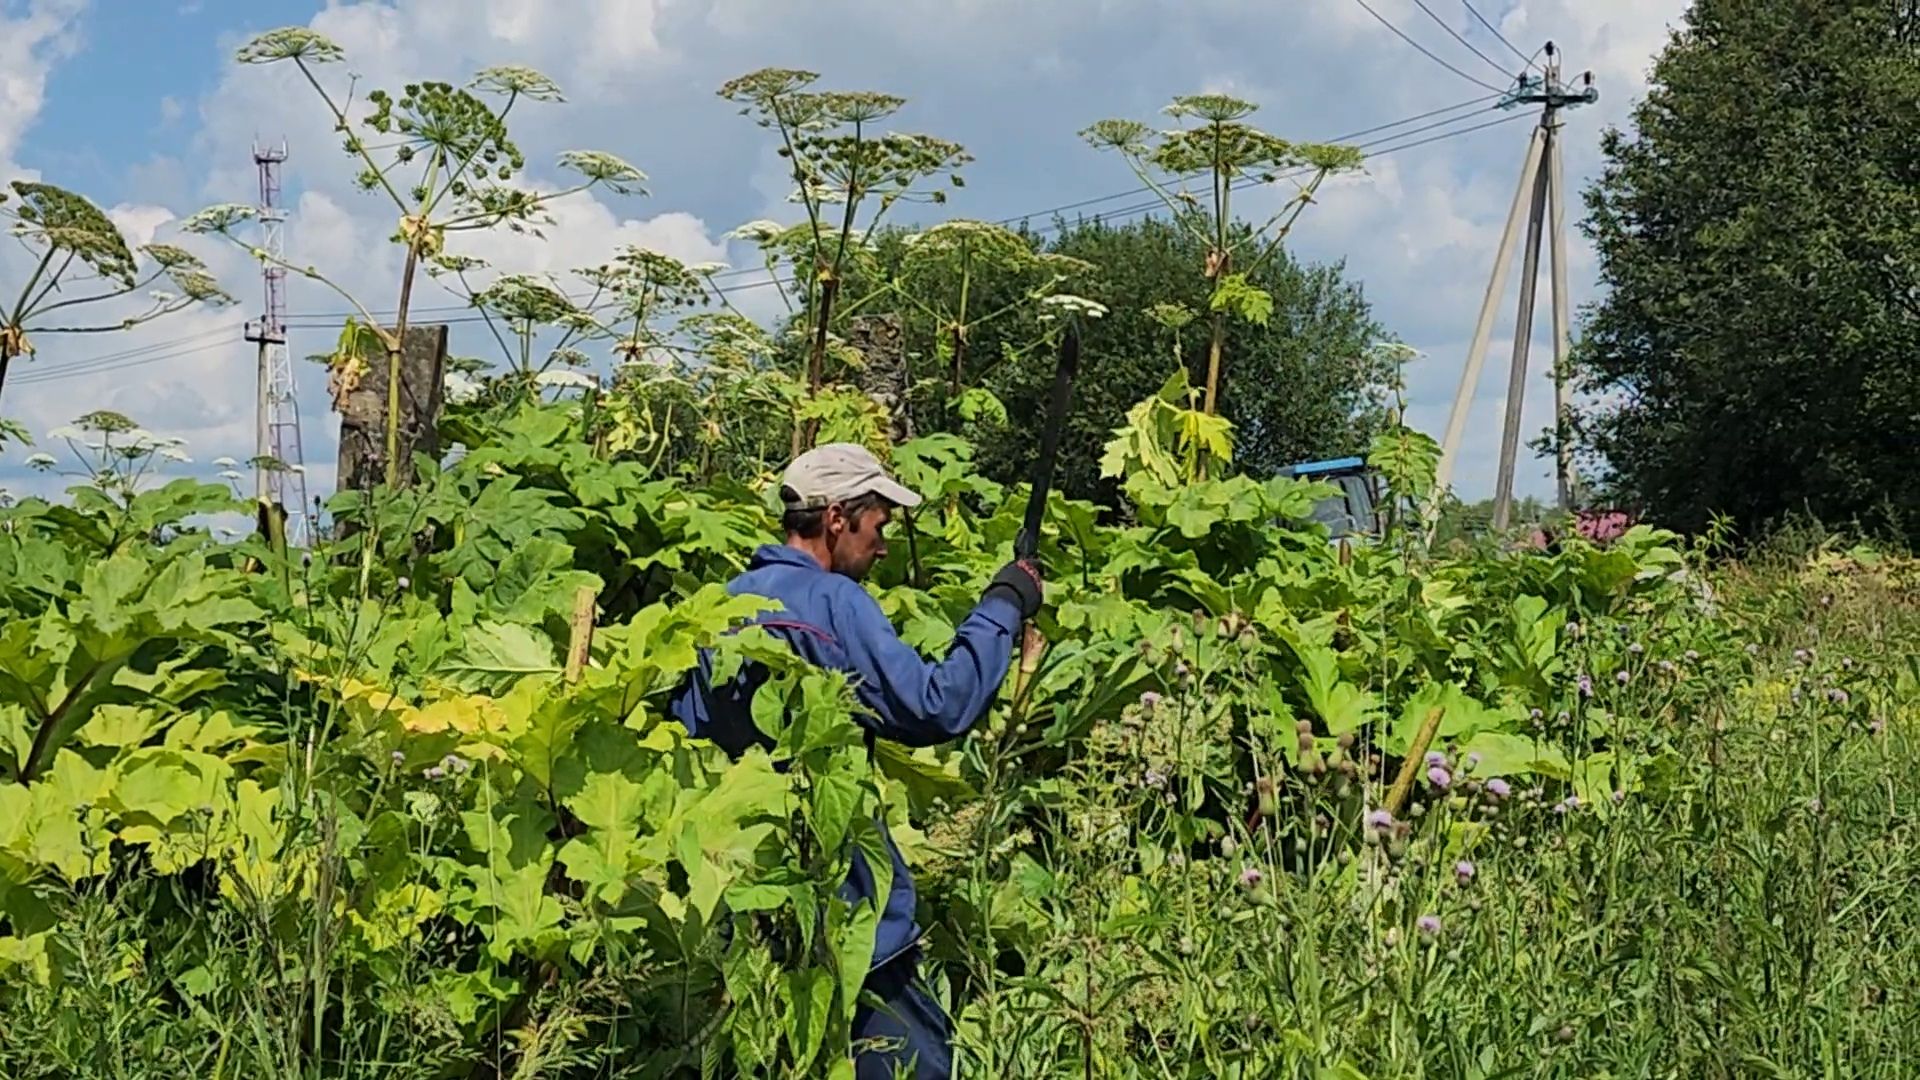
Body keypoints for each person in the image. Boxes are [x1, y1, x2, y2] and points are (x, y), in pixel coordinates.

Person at [667, 442, 1044, 1079]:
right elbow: (934, 706)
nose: (884, 543)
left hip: (742, 900)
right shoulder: (835, 604)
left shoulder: (720, 608)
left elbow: (688, 733)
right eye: (878, 524)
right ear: (838, 518)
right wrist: (1004, 603)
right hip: (847, 906)